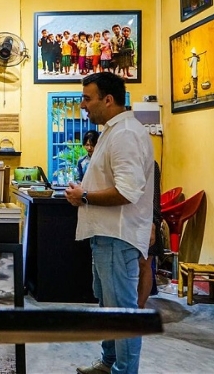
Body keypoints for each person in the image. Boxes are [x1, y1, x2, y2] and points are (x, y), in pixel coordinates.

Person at [65, 72, 154, 374]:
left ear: (108, 99)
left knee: (122, 312)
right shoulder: (113, 131)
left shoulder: (125, 133)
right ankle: (109, 363)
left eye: (87, 99)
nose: (83, 106)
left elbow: (128, 191)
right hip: (106, 235)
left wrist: (84, 196)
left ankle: (123, 371)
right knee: (108, 307)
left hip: (117, 236)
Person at [138, 161, 163, 309]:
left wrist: (152, 223)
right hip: (130, 219)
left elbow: (154, 197)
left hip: (147, 220)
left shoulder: (150, 164)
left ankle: (140, 306)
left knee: (145, 264)